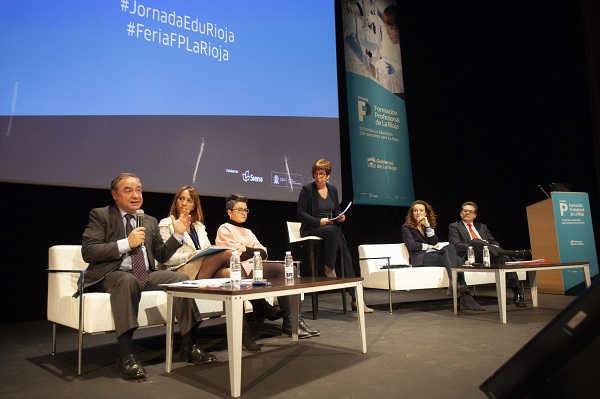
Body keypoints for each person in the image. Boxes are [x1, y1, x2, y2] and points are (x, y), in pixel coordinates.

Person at [81, 173, 216, 380]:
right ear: (115, 195)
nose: (136, 195)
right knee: (127, 280)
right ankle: (126, 355)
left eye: (139, 190)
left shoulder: (149, 221)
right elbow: (89, 251)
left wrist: (178, 235)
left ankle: (189, 345)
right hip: (112, 274)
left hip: (146, 274)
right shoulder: (101, 215)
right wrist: (127, 243)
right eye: (128, 190)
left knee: (180, 281)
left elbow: (160, 255)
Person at [216, 194, 321, 344]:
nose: (244, 213)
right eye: (240, 210)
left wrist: (246, 249)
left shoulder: (248, 231)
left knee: (286, 269)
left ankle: (294, 321)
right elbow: (235, 255)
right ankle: (286, 321)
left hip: (256, 265)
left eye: (246, 210)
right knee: (276, 267)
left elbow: (264, 252)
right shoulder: (224, 229)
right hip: (242, 270)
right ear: (229, 212)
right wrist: (252, 252)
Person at [296, 158, 373, 312]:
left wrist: (340, 217)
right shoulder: (307, 190)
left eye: (322, 174)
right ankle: (329, 268)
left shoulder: (333, 190)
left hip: (332, 230)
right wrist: (319, 222)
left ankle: (357, 300)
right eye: (316, 174)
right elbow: (300, 213)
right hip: (313, 227)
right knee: (334, 231)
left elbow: (336, 212)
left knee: (347, 258)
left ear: (328, 175)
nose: (318, 177)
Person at [400, 200, 485, 311]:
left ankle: (453, 283)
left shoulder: (426, 226)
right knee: (458, 260)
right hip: (420, 258)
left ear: (426, 213)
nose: (418, 213)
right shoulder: (406, 227)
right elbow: (411, 245)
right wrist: (428, 247)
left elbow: (434, 241)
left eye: (421, 210)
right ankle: (466, 297)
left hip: (433, 254)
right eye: (415, 210)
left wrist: (428, 227)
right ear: (412, 213)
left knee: (450, 248)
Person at [449, 201, 532, 307]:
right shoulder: (454, 226)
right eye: (465, 210)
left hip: (488, 256)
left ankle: (518, 294)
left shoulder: (482, 226)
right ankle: (515, 253)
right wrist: (477, 244)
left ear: (475, 215)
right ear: (461, 213)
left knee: (505, 258)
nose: (467, 213)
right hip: (472, 257)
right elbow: (456, 245)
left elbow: (494, 242)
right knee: (475, 241)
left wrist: (487, 245)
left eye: (470, 211)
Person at [157, 185, 232, 280]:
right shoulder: (166, 223)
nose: (184, 203)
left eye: (189, 201)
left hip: (201, 266)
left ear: (194, 206)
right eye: (181, 199)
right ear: (176, 202)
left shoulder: (199, 226)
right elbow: (164, 258)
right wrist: (189, 256)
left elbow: (208, 249)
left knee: (227, 273)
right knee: (228, 254)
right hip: (177, 269)